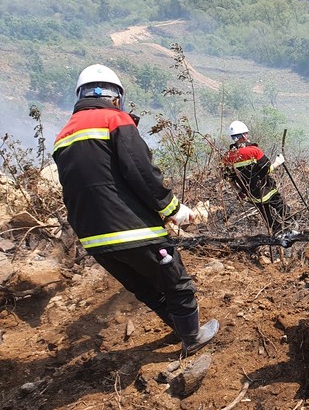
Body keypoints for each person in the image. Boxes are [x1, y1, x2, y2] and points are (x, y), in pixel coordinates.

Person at [53, 64, 218, 355]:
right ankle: (192, 337)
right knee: (177, 284)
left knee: (147, 290)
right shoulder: (114, 120)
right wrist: (173, 209)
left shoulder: (63, 134)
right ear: (115, 96)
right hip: (133, 231)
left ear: (81, 95)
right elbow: (140, 171)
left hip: (95, 241)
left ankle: (180, 330)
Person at [221, 120, 297, 245]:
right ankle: (293, 230)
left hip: (251, 195)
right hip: (266, 190)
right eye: (246, 133)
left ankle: (279, 237)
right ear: (243, 136)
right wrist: (278, 162)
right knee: (282, 208)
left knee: (267, 217)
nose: (248, 135)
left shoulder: (227, 157)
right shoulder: (254, 151)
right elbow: (267, 170)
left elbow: (229, 178)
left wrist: (239, 191)